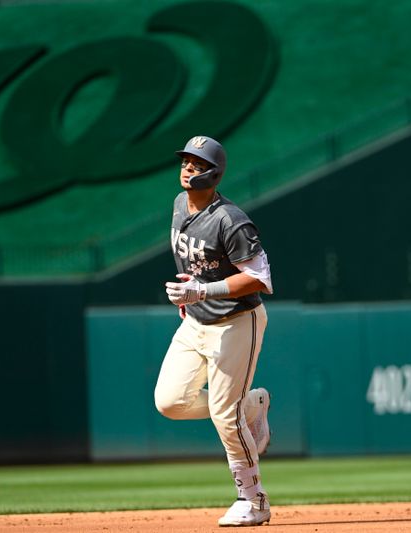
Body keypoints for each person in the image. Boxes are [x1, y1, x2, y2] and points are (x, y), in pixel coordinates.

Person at [154, 135, 274, 527]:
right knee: (170, 402)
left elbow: (259, 278)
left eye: (198, 164)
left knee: (225, 415)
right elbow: (200, 261)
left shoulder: (231, 220)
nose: (189, 168)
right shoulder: (178, 204)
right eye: (186, 162)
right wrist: (193, 292)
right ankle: (250, 407)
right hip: (197, 321)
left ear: (215, 173)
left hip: (237, 322)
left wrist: (202, 289)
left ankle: (253, 500)